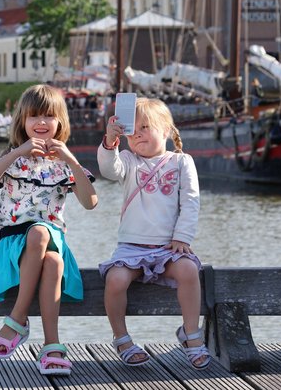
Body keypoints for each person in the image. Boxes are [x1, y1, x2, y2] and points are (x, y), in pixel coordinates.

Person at [0, 84, 98, 376]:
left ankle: (25, 326)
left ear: (60, 122)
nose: (41, 123)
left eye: (48, 116)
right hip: (13, 246)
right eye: (33, 116)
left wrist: (71, 160)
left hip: (51, 239)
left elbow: (90, 203)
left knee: (47, 242)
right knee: (43, 243)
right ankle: (47, 341)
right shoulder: (12, 156)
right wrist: (17, 152)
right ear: (22, 121)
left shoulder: (65, 163)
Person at [97, 98, 210, 370]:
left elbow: (191, 201)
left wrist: (182, 237)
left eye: (145, 127)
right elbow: (108, 170)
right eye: (132, 129)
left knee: (188, 272)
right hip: (131, 247)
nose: (137, 134)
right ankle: (122, 339)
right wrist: (109, 143)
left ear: (167, 131)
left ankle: (191, 334)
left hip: (168, 248)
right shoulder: (128, 160)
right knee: (115, 280)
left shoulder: (181, 162)